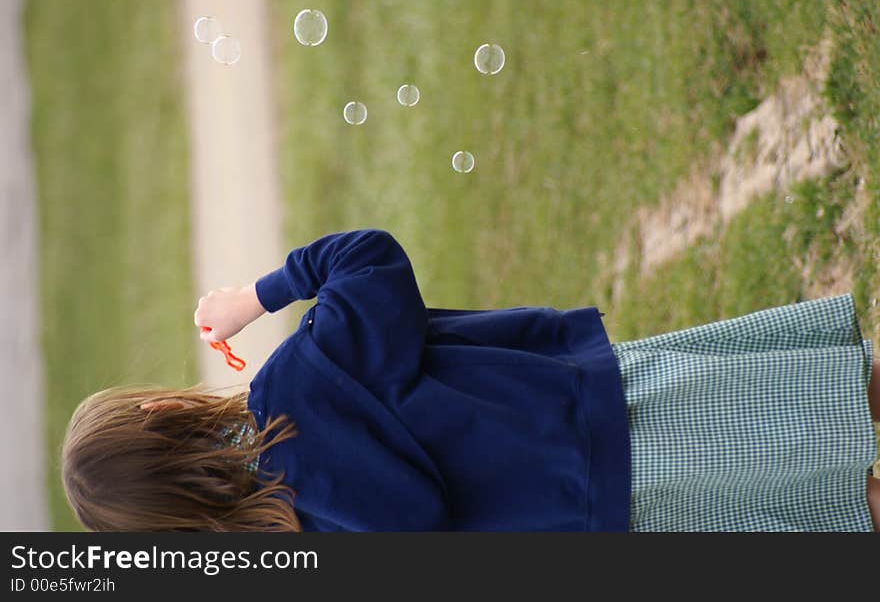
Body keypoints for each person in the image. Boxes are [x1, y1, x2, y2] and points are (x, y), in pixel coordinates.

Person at [62, 229, 880, 531]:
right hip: (602, 416)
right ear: (164, 406)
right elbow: (368, 259)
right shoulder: (302, 382)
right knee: (833, 403)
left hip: (602, 524)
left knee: (824, 503)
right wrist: (255, 297)